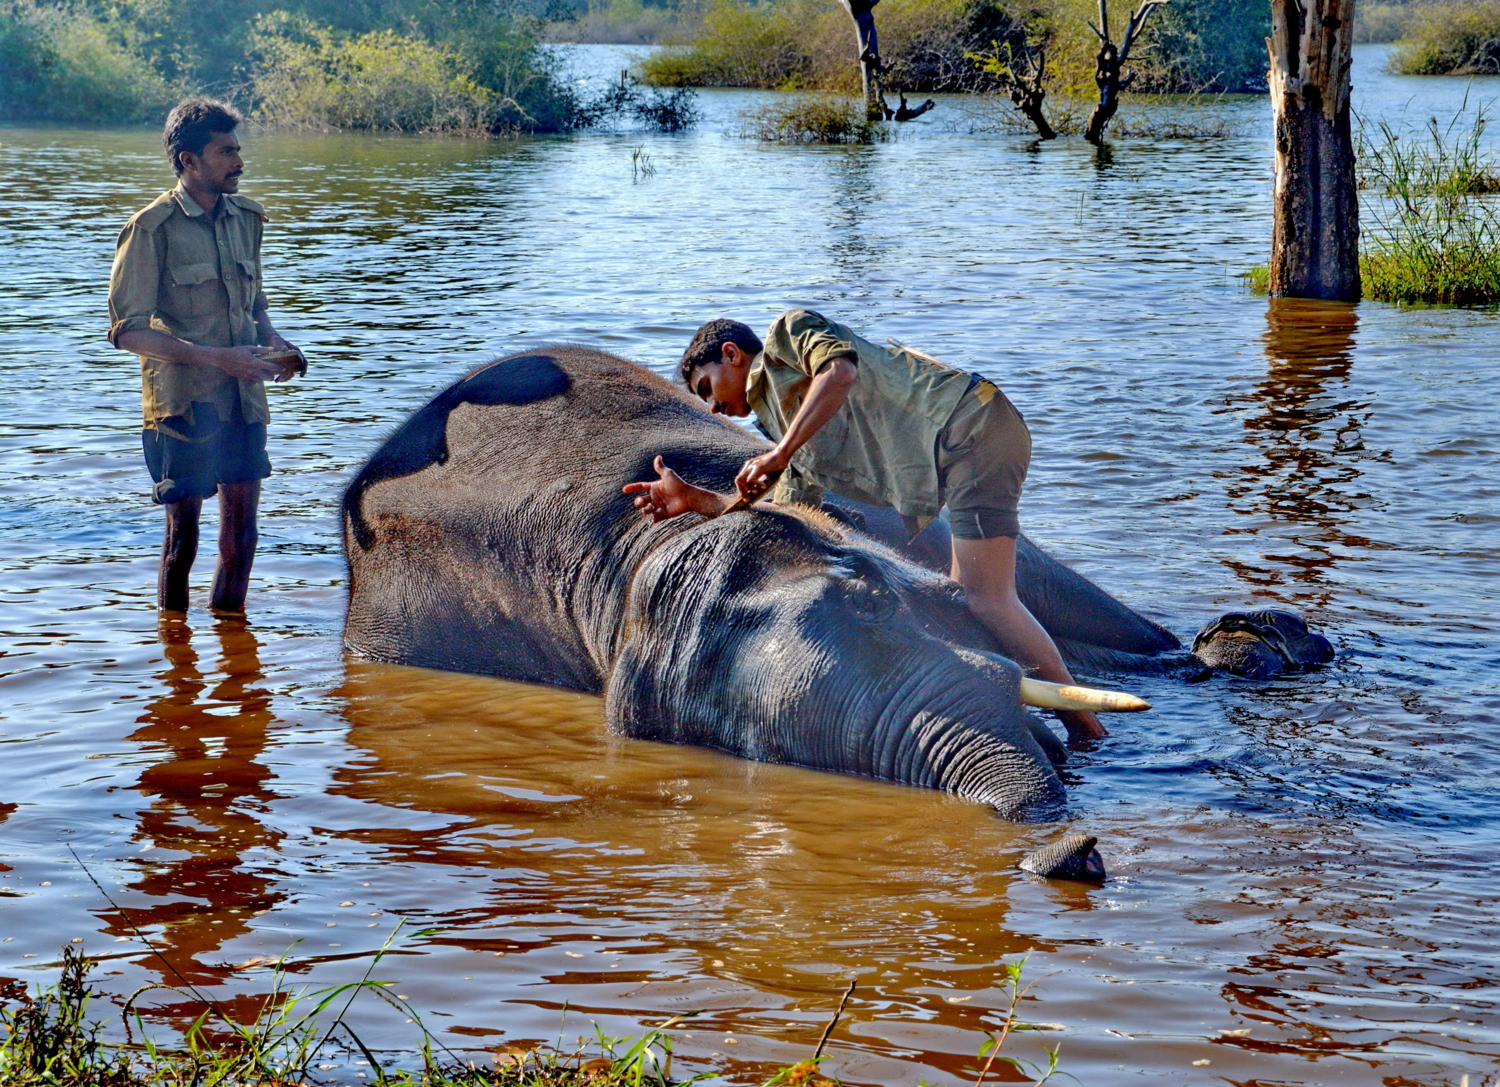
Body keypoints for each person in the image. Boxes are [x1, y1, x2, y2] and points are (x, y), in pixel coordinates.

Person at [623, 309, 1107, 743]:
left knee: (986, 597)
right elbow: (789, 514)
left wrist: (780, 454)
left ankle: (1086, 726)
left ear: (731, 355)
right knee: (966, 598)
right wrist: (698, 500)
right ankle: (1031, 718)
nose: (711, 408)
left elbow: (840, 371)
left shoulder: (787, 335)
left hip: (970, 426)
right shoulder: (785, 424)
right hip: (966, 447)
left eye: (707, 387)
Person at [108, 98, 303, 619]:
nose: (239, 162)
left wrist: (279, 345)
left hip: (243, 400)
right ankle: (178, 673)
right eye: (225, 152)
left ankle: (235, 660)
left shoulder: (248, 218)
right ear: (188, 161)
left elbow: (256, 307)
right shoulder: (151, 228)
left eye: (238, 150)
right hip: (184, 407)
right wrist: (221, 359)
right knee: (182, 543)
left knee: (242, 539)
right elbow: (128, 333)